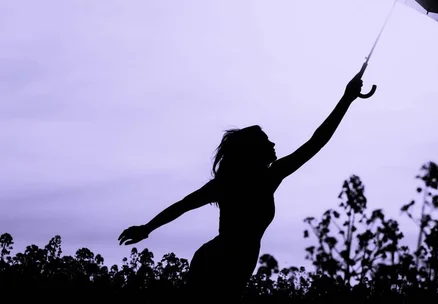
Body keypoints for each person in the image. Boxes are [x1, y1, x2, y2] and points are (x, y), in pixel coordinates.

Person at [118, 68, 367, 300]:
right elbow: (183, 206)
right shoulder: (246, 182)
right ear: (253, 151)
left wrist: (347, 99)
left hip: (230, 265)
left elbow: (316, 142)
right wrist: (147, 228)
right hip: (215, 264)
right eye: (266, 141)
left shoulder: (260, 178)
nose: (273, 144)